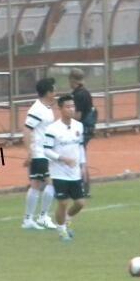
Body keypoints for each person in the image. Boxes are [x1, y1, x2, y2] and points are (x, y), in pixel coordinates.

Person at [43, 94, 86, 242]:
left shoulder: (78, 126)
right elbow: (47, 150)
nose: (71, 109)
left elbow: (80, 147)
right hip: (58, 173)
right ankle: (61, 230)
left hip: (75, 173)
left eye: (72, 106)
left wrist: (83, 165)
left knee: (80, 203)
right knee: (63, 202)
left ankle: (66, 219)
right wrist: (62, 159)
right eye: (68, 107)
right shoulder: (52, 129)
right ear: (60, 109)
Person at [21, 77, 57, 230]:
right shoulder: (37, 109)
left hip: (46, 152)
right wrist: (29, 152)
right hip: (39, 153)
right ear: (48, 92)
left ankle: (28, 219)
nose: (56, 93)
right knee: (52, 183)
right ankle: (43, 216)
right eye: (54, 90)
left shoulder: (47, 108)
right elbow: (27, 129)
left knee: (35, 185)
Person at [69, 68, 94, 197]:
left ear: (72, 80)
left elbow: (78, 116)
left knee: (79, 158)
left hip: (81, 130)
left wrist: (66, 121)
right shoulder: (86, 92)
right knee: (80, 157)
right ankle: (84, 187)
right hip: (87, 128)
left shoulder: (78, 95)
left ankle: (83, 187)